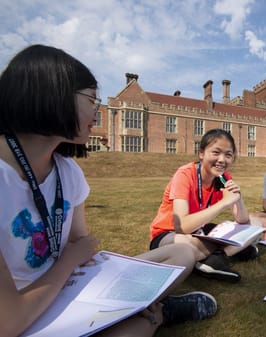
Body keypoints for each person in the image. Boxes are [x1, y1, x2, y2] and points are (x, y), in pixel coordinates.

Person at [0, 44, 216, 337]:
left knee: (181, 254)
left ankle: (134, 309)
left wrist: (83, 263)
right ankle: (155, 315)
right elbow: (8, 322)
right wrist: (69, 261)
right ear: (52, 95)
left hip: (71, 286)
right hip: (25, 309)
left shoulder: (68, 172)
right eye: (91, 99)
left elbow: (79, 243)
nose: (97, 110)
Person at [150, 128, 257, 283]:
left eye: (228, 155)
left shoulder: (224, 177)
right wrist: (223, 203)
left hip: (198, 232)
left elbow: (243, 222)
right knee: (186, 245)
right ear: (201, 153)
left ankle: (215, 258)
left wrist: (237, 198)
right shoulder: (185, 174)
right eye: (216, 152)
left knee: (253, 229)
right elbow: (182, 226)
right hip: (169, 235)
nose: (222, 160)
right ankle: (221, 255)